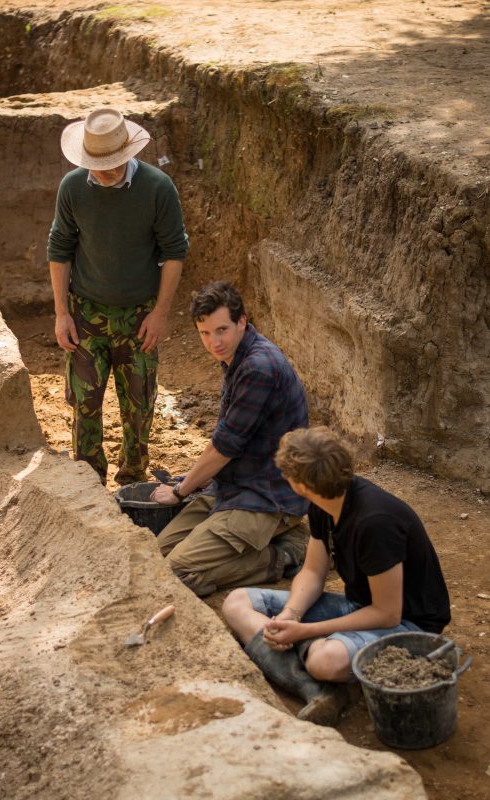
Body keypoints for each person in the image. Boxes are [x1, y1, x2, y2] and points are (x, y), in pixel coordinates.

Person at [222, 426, 451, 726]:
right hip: (360, 607)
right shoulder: (325, 502)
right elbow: (314, 572)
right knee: (237, 602)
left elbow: (387, 614)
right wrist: (291, 614)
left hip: (410, 625)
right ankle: (316, 688)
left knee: (325, 660)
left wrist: (305, 631)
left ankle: (308, 667)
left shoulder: (375, 523)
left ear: (301, 485)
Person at [47, 108, 189, 485]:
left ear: (129, 153)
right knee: (84, 402)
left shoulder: (158, 188)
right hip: (85, 314)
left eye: (112, 162)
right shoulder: (73, 188)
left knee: (139, 405)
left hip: (139, 316)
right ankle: (88, 480)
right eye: (96, 163)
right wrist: (62, 313)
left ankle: (133, 478)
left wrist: (159, 313)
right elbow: (59, 249)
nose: (104, 170)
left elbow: (174, 252)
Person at [152, 281, 310, 596]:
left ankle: (286, 553)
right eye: (205, 333)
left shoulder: (257, 369)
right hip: (233, 486)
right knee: (153, 558)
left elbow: (224, 446)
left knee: (175, 573)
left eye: (222, 330)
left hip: (268, 497)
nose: (214, 342)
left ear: (242, 321)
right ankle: (266, 544)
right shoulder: (236, 357)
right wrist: (191, 482)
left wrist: (181, 490)